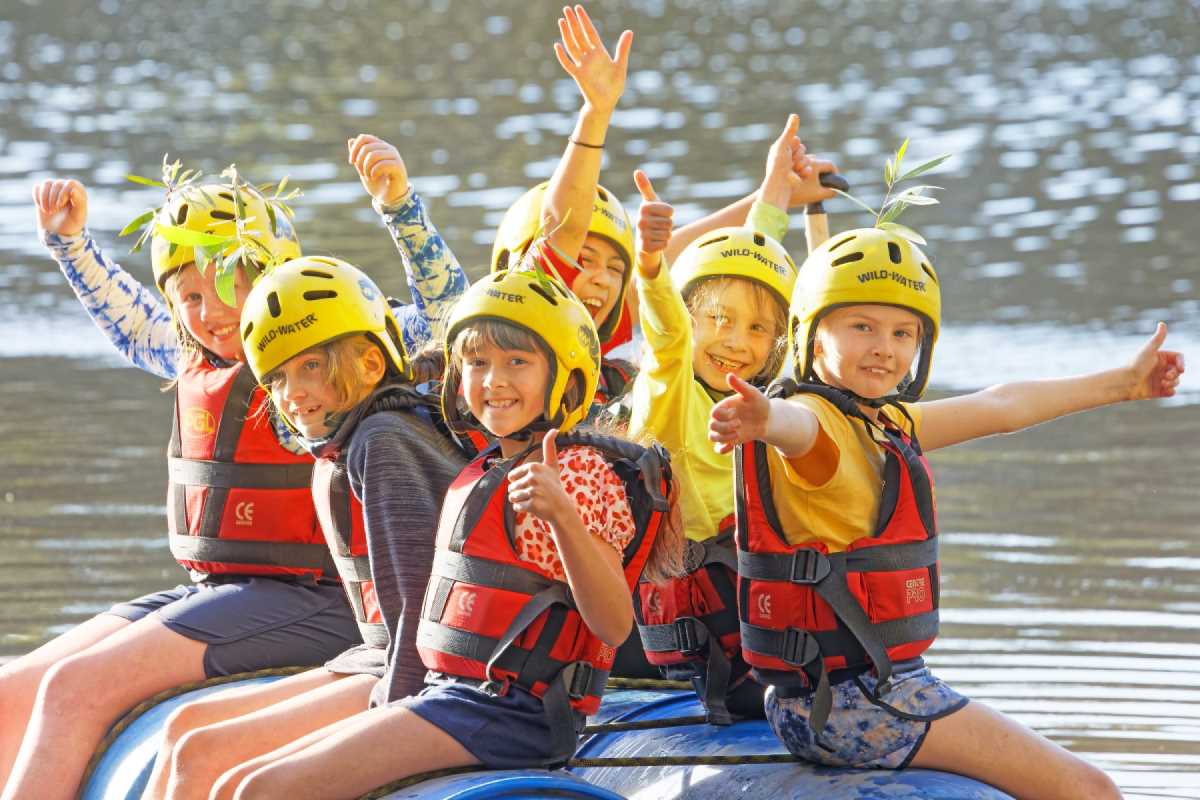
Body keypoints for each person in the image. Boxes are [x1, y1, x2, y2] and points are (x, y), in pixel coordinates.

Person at [5, 156, 463, 799]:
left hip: (313, 598)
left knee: (76, 689)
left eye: (230, 285)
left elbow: (446, 314)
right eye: (189, 296)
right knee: (14, 693)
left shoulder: (332, 342)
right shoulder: (189, 352)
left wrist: (400, 209)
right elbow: (130, 321)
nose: (211, 311)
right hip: (215, 590)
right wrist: (70, 244)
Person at [707, 225, 1184, 798]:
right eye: (862, 326)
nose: (884, 346)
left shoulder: (882, 422)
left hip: (826, 701)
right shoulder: (818, 423)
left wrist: (1123, 383)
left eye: (902, 332)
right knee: (1090, 789)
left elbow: (1001, 404)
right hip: (863, 706)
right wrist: (765, 422)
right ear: (811, 333)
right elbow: (797, 430)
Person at [205, 266, 680, 799]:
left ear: (566, 378)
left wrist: (563, 517)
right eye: (477, 363)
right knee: (238, 782)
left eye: (516, 362)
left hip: (511, 715)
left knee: (260, 790)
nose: (493, 380)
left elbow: (614, 624)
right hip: (453, 694)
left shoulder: (575, 473)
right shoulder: (484, 468)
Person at [138, 135, 470, 800]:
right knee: (185, 734)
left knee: (216, 760)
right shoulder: (340, 446)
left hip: (423, 678)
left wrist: (384, 732)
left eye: (312, 366)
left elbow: (414, 624)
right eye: (279, 378)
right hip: (368, 656)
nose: (291, 395)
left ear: (372, 363)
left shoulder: (384, 444)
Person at [627, 114, 830, 722]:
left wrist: (776, 190)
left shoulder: (766, 399)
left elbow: (755, 261)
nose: (736, 342)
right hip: (685, 635)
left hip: (750, 612)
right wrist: (651, 261)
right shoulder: (668, 381)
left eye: (757, 330)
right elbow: (664, 316)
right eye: (716, 320)